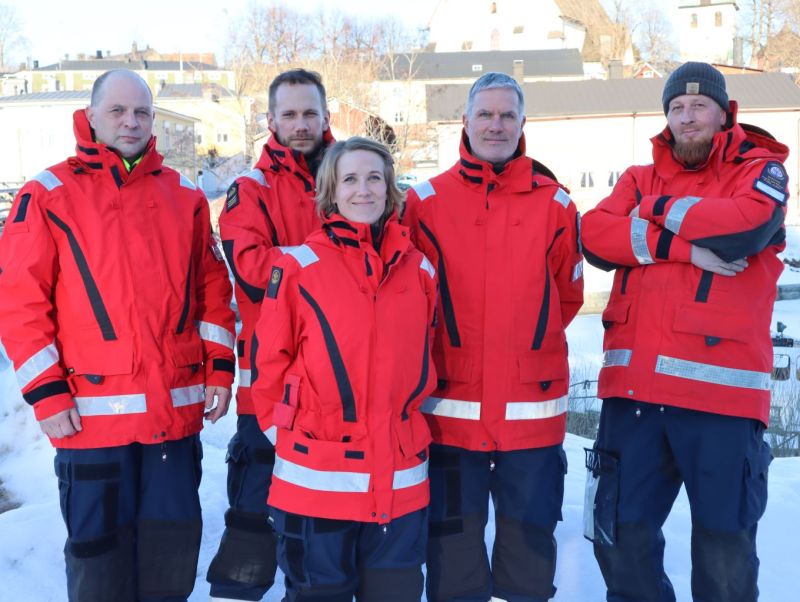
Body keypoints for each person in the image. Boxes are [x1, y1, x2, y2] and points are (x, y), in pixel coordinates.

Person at [0, 69, 235, 601]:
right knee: (99, 558)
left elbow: (211, 290)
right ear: (91, 115)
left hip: (174, 417)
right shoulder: (48, 195)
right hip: (91, 423)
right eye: (118, 111)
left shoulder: (184, 196)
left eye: (142, 112)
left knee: (171, 554)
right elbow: (20, 305)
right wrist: (46, 393)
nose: (131, 122)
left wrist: (220, 367)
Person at [581, 62, 788, 601]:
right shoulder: (636, 174)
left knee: (724, 557)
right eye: (676, 108)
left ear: (724, 113)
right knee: (617, 540)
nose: (687, 118)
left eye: (699, 107)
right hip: (632, 399)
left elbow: (744, 225)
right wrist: (683, 246)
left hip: (721, 403)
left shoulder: (759, 170)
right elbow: (597, 234)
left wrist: (654, 212)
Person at [403, 72, 584, 602]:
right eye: (485, 114)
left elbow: (566, 300)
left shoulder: (555, 205)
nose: (496, 125)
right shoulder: (424, 202)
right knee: (452, 554)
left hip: (532, 414)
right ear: (465, 121)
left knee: (528, 556)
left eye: (508, 115)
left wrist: (524, 347)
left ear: (524, 123)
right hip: (450, 411)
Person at [250, 137, 437, 601]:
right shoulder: (297, 267)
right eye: (349, 179)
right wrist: (295, 440)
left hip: (400, 480)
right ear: (330, 191)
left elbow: (425, 357)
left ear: (390, 187)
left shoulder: (419, 270)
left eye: (374, 178)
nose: (363, 190)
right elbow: (269, 366)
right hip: (317, 479)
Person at [208, 68, 334, 602]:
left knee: (321, 511)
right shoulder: (248, 190)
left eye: (310, 114)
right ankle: (240, 594)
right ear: (271, 120)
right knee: (254, 508)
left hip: (338, 381)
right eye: (290, 115)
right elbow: (255, 271)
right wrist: (333, 266)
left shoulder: (352, 173)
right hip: (269, 382)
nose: (300, 125)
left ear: (327, 117)